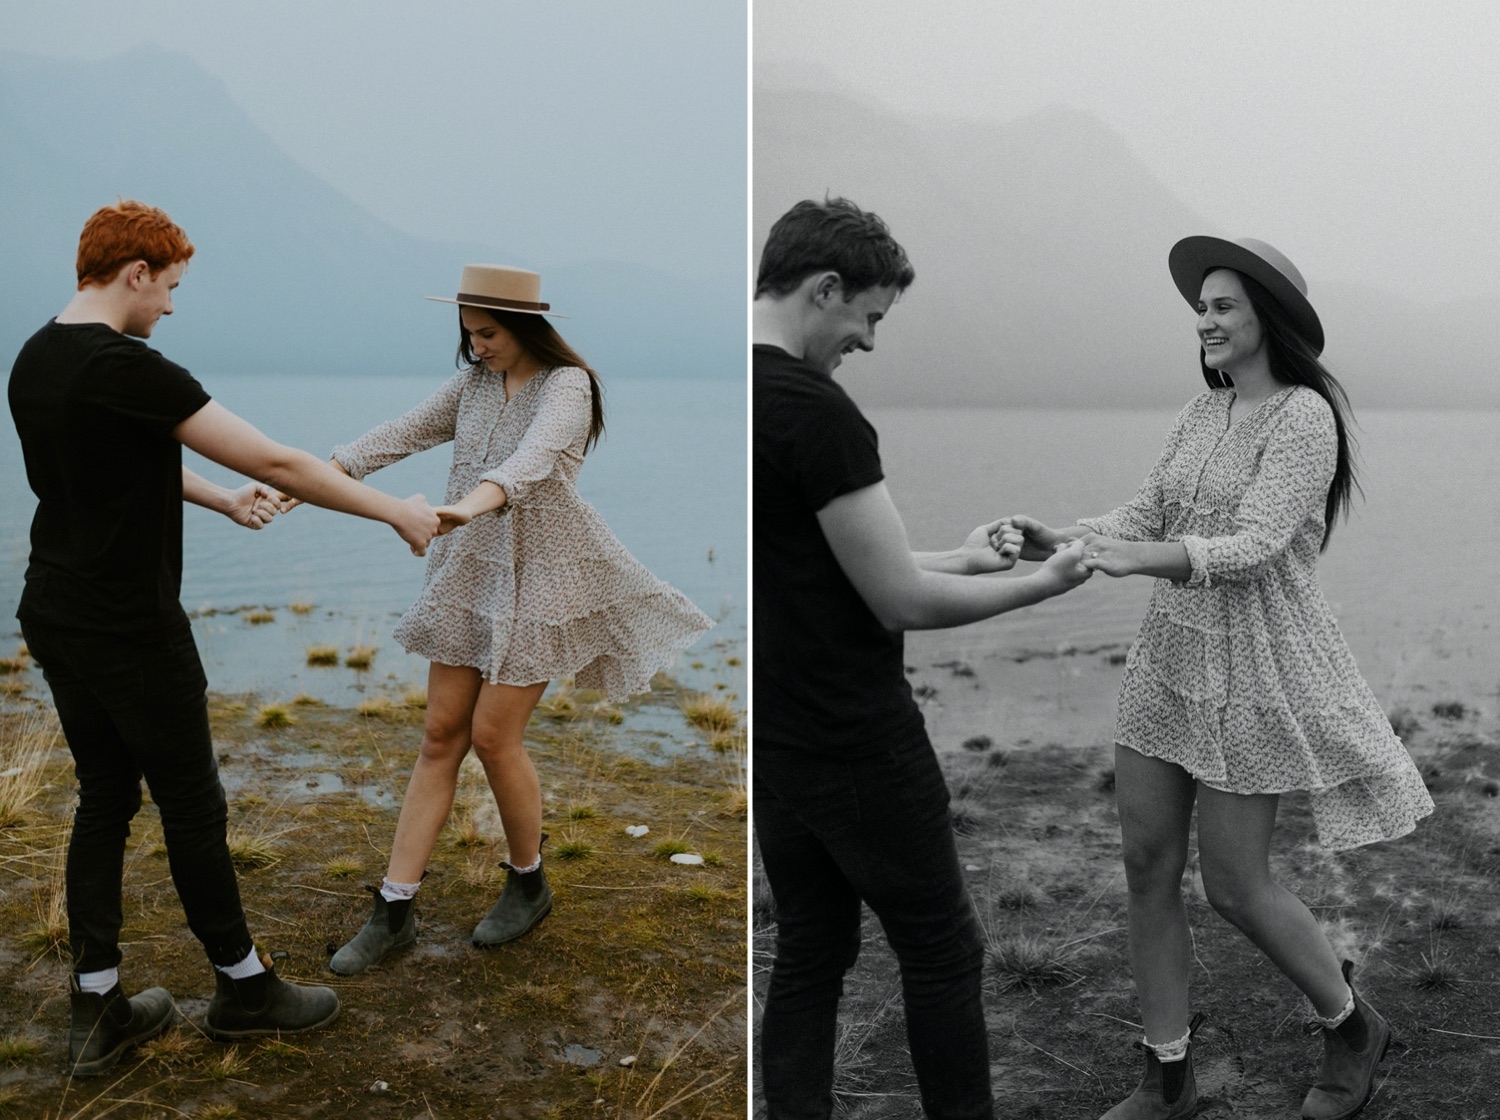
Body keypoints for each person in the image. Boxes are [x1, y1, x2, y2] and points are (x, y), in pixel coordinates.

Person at [7, 200, 443, 1077]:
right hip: (129, 626)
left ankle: (98, 1006)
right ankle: (245, 988)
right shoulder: (130, 366)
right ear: (135, 275)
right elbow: (279, 462)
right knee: (194, 808)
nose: (171, 305)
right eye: (168, 288)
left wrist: (220, 501)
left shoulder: (37, 357)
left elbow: (131, 457)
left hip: (53, 609)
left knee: (103, 798)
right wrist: (395, 509)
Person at [1008, 237, 1433, 1120]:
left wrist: (1137, 558)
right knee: (1143, 865)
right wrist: (1069, 537)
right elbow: (1145, 510)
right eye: (1200, 306)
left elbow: (1254, 548)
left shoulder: (1304, 417)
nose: (1204, 320)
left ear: (1266, 317)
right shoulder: (1202, 416)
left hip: (1258, 666)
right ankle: (1168, 1074)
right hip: (1168, 661)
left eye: (1223, 305)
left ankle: (1352, 1025)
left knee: (1235, 886)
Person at [753, 197, 1095, 1120]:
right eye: (869, 316)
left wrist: (961, 555)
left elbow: (819, 560)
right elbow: (898, 600)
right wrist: (1045, 583)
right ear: (824, 289)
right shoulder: (817, 413)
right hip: (854, 737)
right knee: (943, 951)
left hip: (775, 736)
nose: (868, 340)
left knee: (812, 951)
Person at [323, 263, 713, 974]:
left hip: (545, 578)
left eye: (490, 334)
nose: (478, 348)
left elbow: (530, 464)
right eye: (469, 334)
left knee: (493, 736)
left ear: (526, 326)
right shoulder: (472, 383)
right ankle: (394, 908)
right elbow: (398, 434)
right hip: (470, 574)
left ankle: (527, 882)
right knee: (441, 733)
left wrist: (461, 508)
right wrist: (307, 479)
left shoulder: (569, 386)